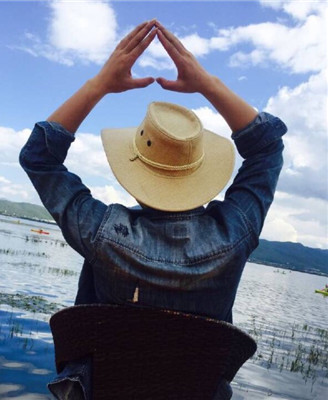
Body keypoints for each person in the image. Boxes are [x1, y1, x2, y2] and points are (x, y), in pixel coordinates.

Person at [20, 20, 286, 400]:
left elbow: (39, 157)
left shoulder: (103, 234)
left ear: (135, 167)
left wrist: (99, 85)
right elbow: (267, 148)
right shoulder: (234, 234)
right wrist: (209, 84)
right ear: (199, 170)